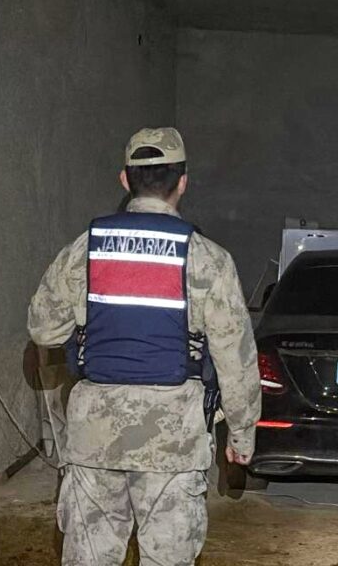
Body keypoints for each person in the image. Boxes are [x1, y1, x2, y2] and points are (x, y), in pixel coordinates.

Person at [28, 127, 261, 566]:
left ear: (125, 180)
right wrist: (242, 436)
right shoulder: (208, 259)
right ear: (182, 183)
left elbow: (44, 330)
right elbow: (236, 360)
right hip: (173, 441)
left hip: (95, 436)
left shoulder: (85, 250)